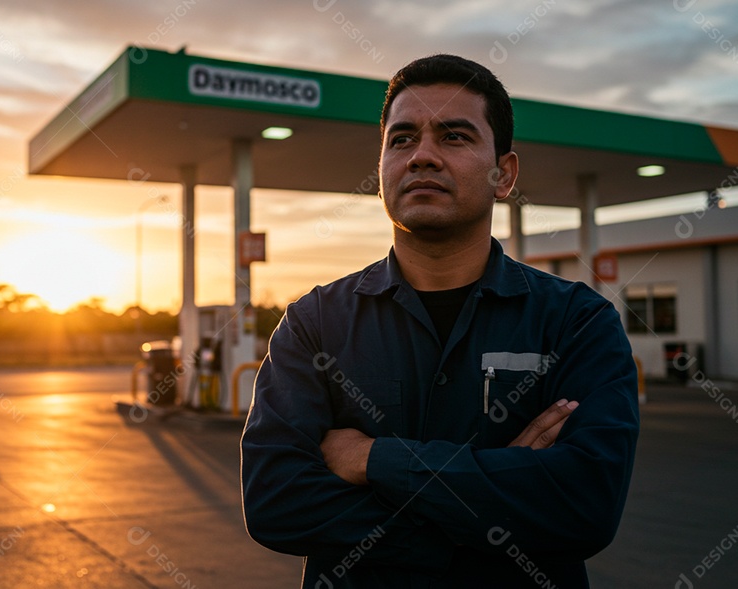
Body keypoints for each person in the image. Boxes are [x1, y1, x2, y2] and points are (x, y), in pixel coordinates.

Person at [240, 54, 639, 588]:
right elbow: (276, 502)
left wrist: (373, 459)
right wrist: (492, 504)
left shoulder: (578, 323)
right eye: (402, 139)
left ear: (505, 174)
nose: (422, 156)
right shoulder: (313, 325)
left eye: (454, 136)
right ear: (381, 168)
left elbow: (583, 507)